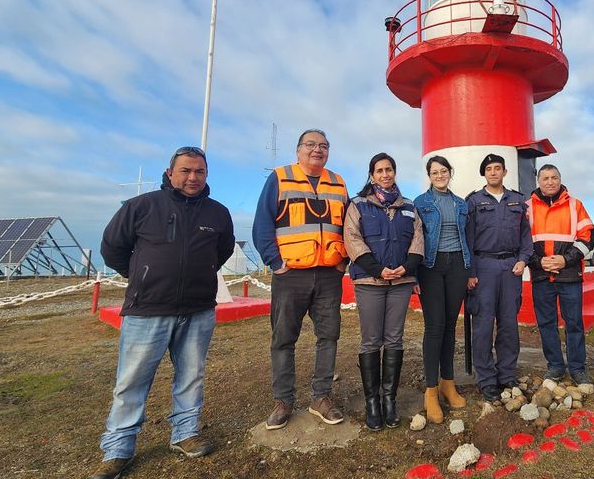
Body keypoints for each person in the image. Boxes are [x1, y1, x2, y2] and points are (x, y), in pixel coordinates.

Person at [91, 146, 235, 479]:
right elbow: (112, 247)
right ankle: (118, 450)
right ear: (170, 173)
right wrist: (142, 275)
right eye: (185, 170)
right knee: (132, 381)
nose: (192, 177)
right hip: (148, 310)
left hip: (198, 309)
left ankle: (185, 434)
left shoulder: (218, 213)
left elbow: (222, 250)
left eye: (199, 171)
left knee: (191, 375)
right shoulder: (141, 207)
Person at [252, 129, 349, 430]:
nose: (316, 150)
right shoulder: (280, 178)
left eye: (323, 145)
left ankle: (321, 397)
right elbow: (262, 224)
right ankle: (283, 401)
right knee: (283, 339)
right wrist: (276, 263)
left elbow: (351, 224)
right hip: (290, 274)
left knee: (329, 337)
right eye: (310, 145)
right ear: (298, 151)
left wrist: (343, 261)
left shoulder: (338, 182)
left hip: (329, 274)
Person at [343, 153, 424, 431]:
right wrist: (377, 269)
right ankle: (372, 402)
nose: (385, 174)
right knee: (371, 340)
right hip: (370, 282)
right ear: (371, 174)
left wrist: (406, 267)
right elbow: (351, 239)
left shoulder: (409, 207)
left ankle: (389, 399)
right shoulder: (358, 205)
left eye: (389, 169)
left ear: (395, 172)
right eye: (379, 170)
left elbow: (418, 240)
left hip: (401, 282)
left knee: (394, 339)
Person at [465, 154, 533, 402]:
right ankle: (486, 378)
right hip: (482, 268)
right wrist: (470, 272)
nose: (493, 172)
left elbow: (526, 235)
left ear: (504, 172)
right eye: (489, 169)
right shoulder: (473, 202)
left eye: (497, 168)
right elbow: (467, 239)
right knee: (482, 326)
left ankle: (506, 374)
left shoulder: (517, 200)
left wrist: (523, 259)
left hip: (510, 267)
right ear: (484, 173)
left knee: (508, 325)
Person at [526, 164, 594, 385]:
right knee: (546, 323)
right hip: (541, 275)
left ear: (560, 179)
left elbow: (588, 236)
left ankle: (577, 368)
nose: (550, 182)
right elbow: (521, 242)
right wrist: (539, 262)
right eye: (545, 178)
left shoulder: (575, 205)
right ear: (538, 180)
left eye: (554, 177)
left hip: (569, 275)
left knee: (574, 322)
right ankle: (555, 366)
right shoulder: (526, 207)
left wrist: (566, 259)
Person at [413, 156, 472, 423]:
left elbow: (468, 236)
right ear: (429, 175)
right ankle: (430, 391)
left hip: (458, 264)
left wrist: (470, 270)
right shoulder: (420, 203)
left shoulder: (461, 204)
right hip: (431, 266)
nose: (440, 175)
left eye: (443, 171)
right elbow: (414, 239)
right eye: (434, 172)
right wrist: (413, 273)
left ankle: (448, 383)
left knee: (450, 325)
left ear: (450, 172)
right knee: (434, 327)